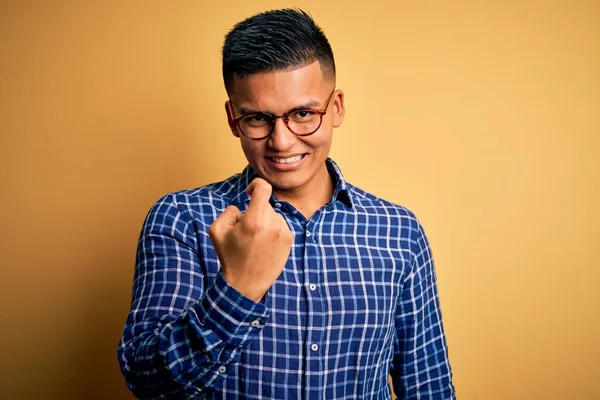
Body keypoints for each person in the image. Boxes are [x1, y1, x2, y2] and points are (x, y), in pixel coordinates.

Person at [118, 8, 455, 399]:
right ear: (232, 119)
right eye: (259, 119)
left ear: (337, 108)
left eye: (303, 114)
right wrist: (238, 287)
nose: (282, 141)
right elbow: (148, 381)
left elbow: (428, 387)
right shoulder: (180, 219)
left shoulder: (400, 232)